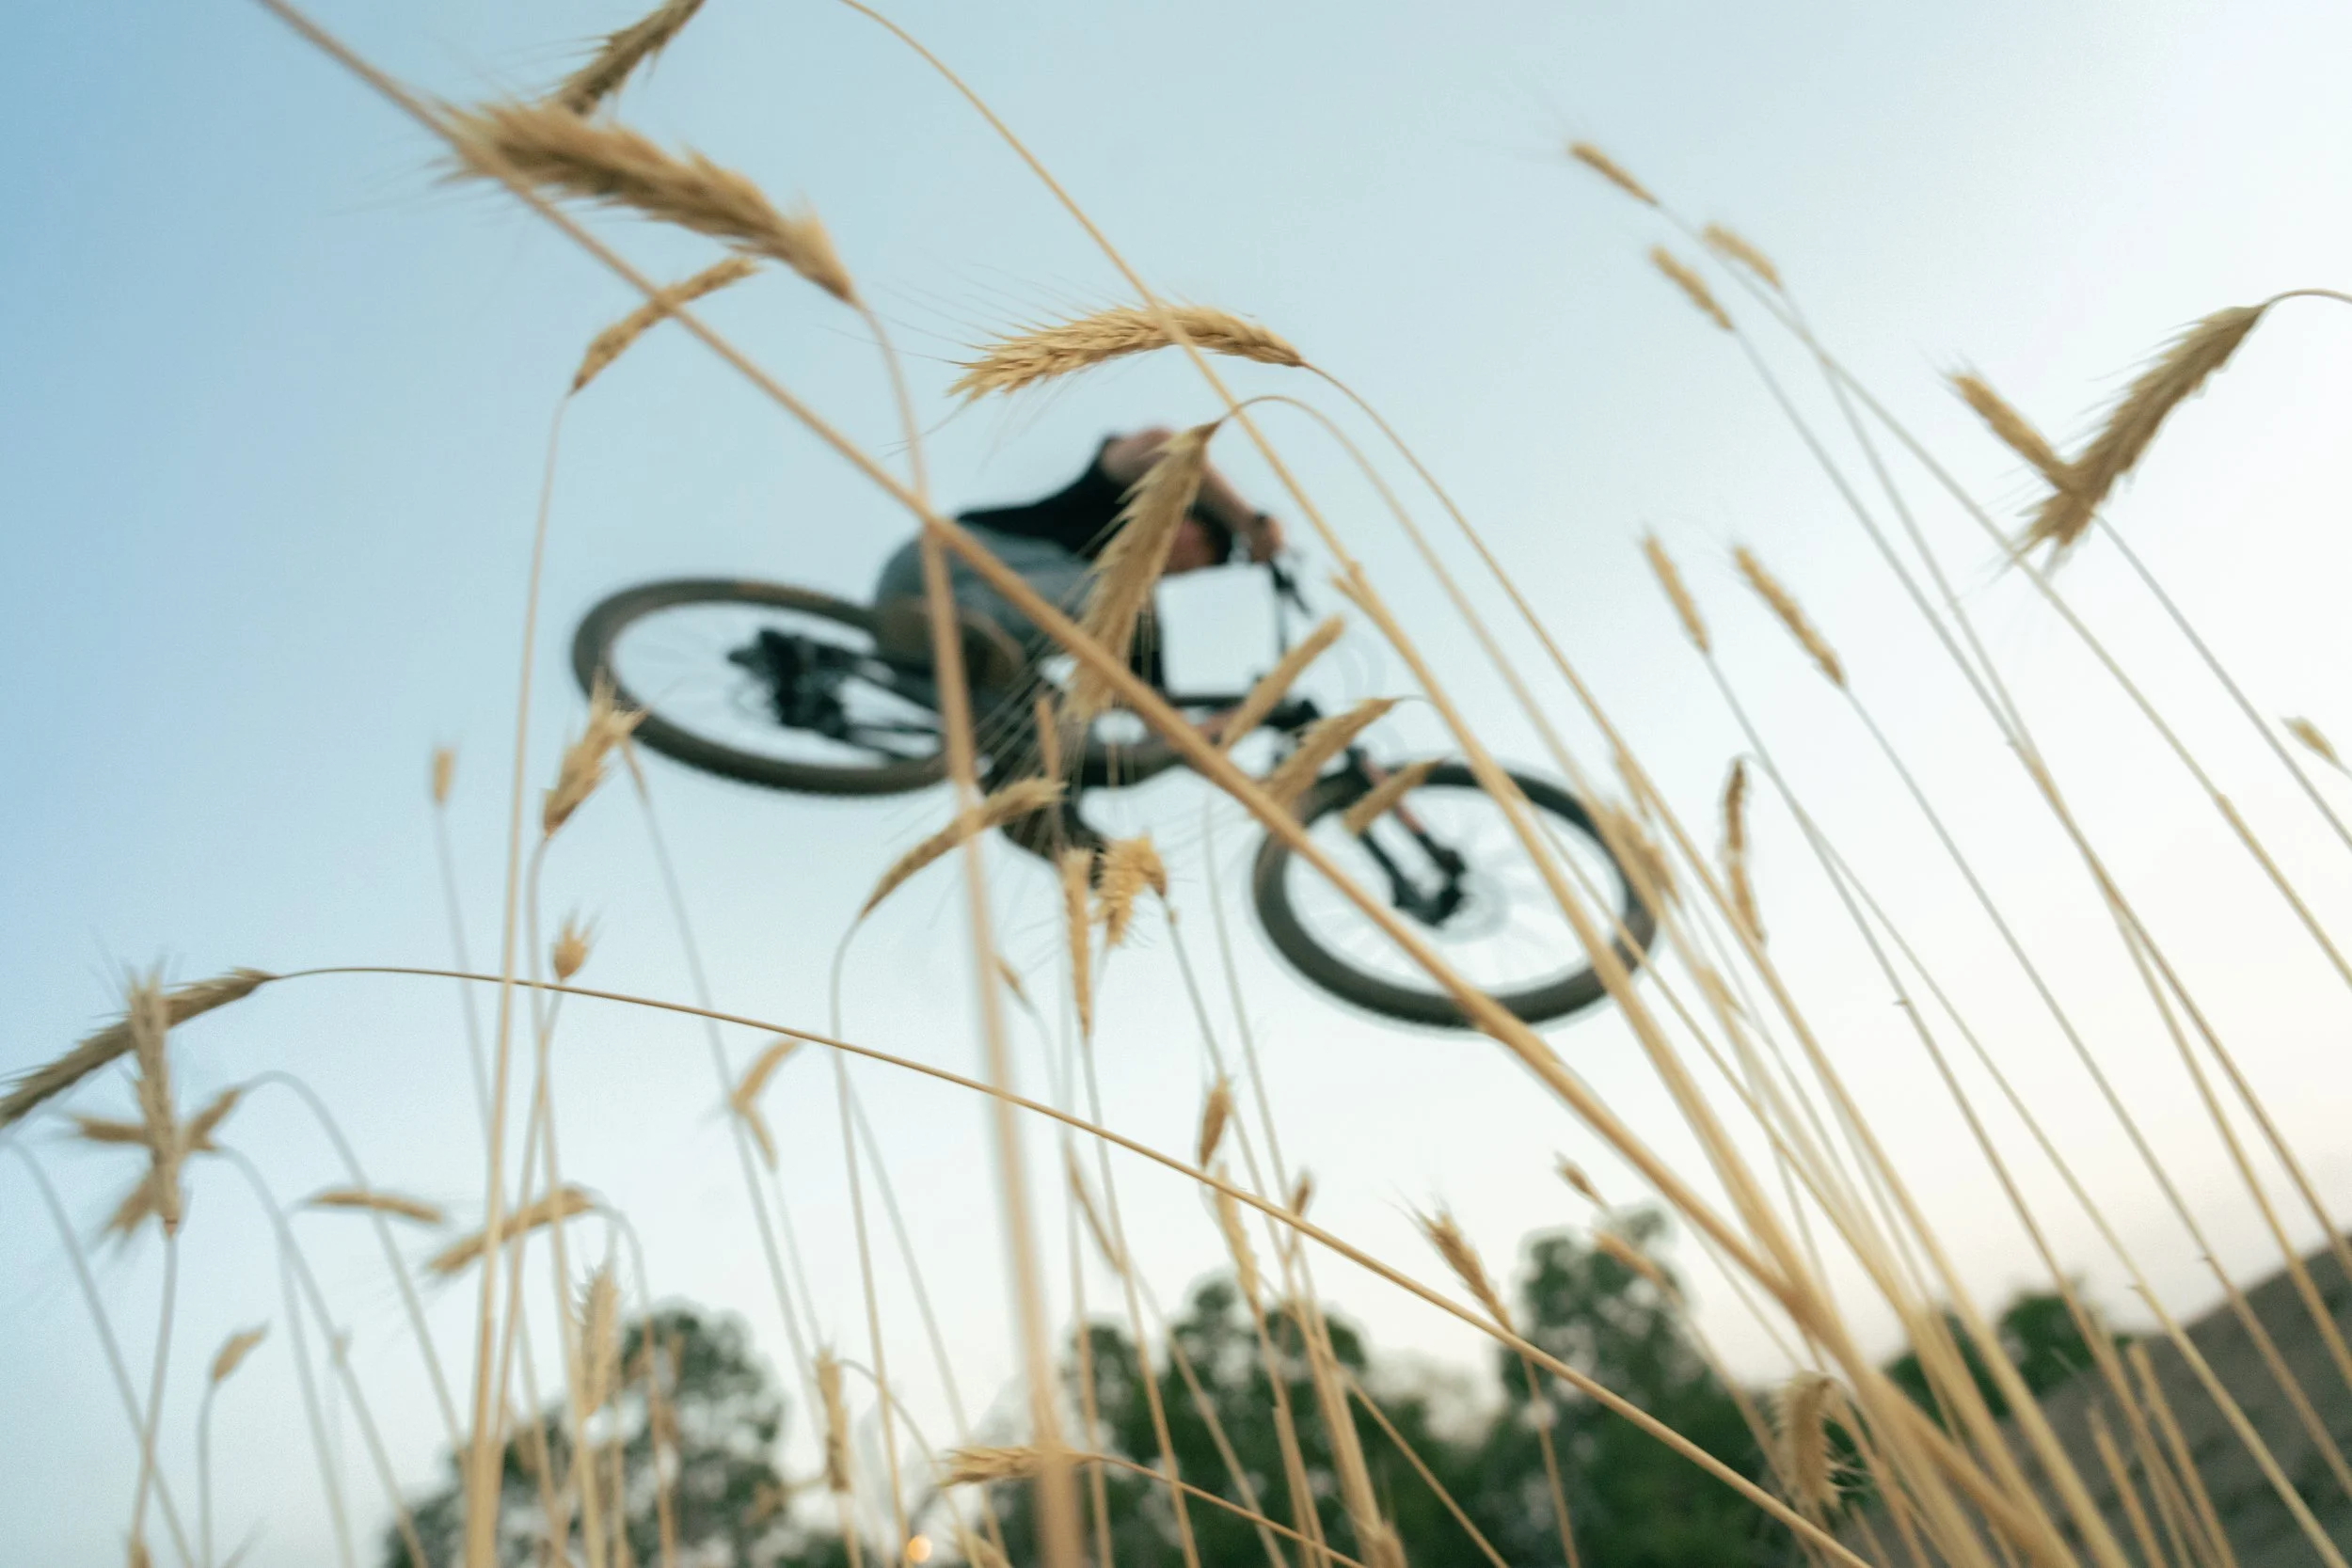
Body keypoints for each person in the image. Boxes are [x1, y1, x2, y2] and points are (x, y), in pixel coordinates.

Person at [869, 428, 1284, 693]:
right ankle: (953, 622)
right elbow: (1161, 444)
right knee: (1118, 601)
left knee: (1056, 707)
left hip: (954, 671)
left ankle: (1041, 800)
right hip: (938, 569)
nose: (1192, 561)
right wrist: (1246, 522)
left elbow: (1158, 720)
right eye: (1203, 539)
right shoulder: (1111, 500)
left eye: (1203, 567)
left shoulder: (1142, 621)